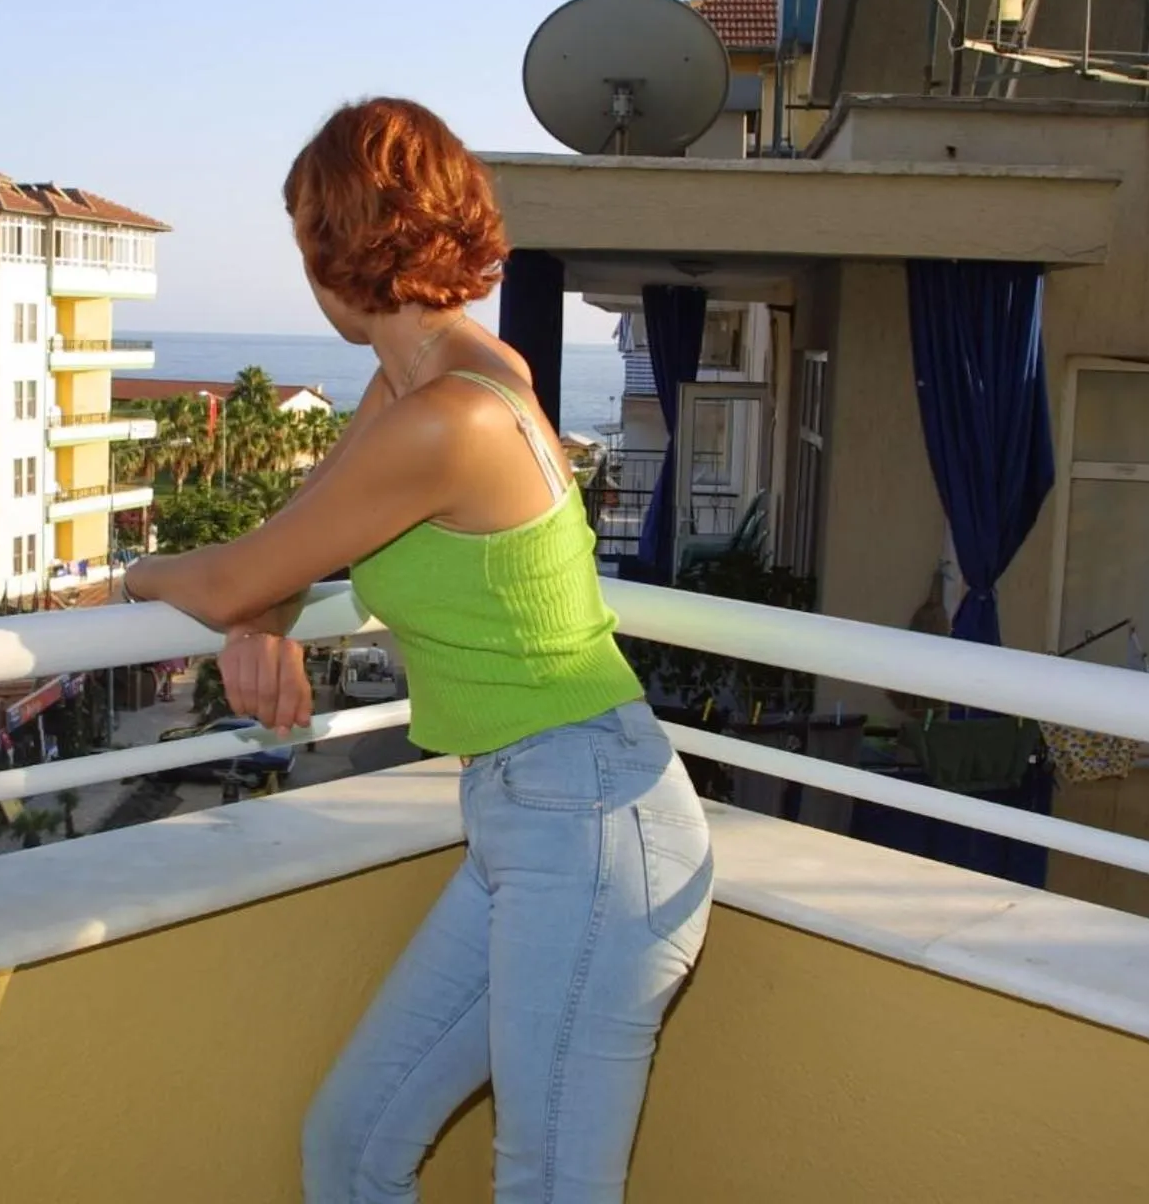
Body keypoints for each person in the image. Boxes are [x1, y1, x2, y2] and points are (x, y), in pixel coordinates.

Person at [122, 97, 712, 1203]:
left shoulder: (451, 416)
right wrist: (262, 618)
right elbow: (295, 545)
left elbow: (233, 572)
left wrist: (139, 580)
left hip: (585, 815)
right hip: (531, 814)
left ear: (337, 248)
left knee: (545, 1186)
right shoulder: (424, 383)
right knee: (352, 1142)